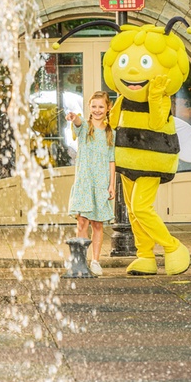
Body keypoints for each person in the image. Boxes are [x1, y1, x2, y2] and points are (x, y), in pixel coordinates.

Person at [65, 91, 116, 276]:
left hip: (101, 182)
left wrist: (111, 185)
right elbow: (77, 122)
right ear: (89, 107)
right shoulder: (85, 127)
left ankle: (95, 261)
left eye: (101, 106)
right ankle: (80, 260)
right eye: (94, 106)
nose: (97, 110)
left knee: (97, 224)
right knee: (82, 222)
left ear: (107, 108)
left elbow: (112, 160)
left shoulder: (110, 133)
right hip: (84, 181)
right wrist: (73, 117)